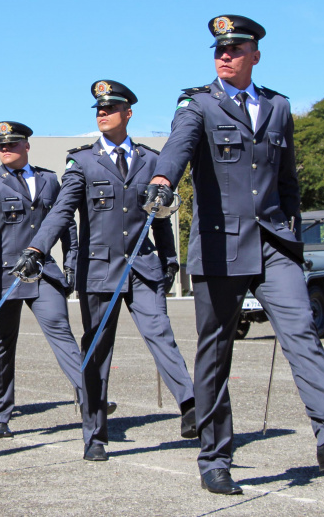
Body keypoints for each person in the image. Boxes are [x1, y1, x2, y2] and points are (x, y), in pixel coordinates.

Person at [150, 15, 324, 495]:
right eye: (219, 50)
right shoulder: (197, 103)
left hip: (275, 244)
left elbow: (288, 181)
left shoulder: (277, 107)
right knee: (215, 352)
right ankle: (214, 458)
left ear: (256, 54)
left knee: (303, 334)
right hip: (219, 246)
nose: (225, 55)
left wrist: (291, 231)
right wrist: (162, 179)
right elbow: (177, 148)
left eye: (235, 48)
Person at [17, 81, 196, 462]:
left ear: (128, 113)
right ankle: (94, 434)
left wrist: (168, 256)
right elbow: (62, 211)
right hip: (99, 270)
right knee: (97, 351)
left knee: (160, 334)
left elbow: (158, 216)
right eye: (98, 108)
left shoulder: (152, 160)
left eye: (110, 108)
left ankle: (191, 405)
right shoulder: (82, 162)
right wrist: (36, 249)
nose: (102, 113)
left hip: (142, 266)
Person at [0, 121, 90, 439]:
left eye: (12, 144)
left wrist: (72, 264)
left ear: (26, 146)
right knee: (1, 346)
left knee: (62, 334)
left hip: (43, 272)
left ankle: (90, 397)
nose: (5, 149)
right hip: (3, 276)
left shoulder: (50, 180)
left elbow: (67, 225)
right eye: (1, 146)